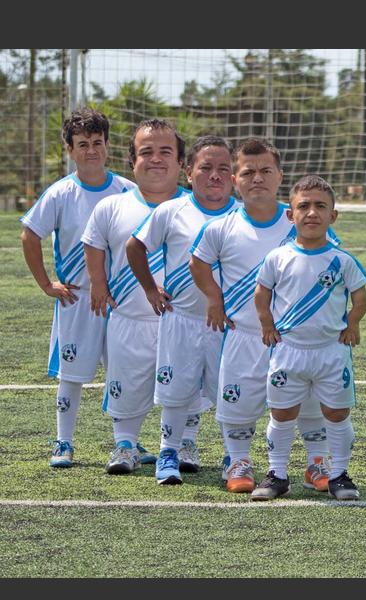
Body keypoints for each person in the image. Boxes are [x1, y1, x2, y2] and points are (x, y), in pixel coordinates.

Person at [190, 139, 339, 494]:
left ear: (279, 176)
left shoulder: (301, 217)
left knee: (309, 404)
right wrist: (214, 298)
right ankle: (239, 461)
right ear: (235, 179)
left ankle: (316, 462)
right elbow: (198, 262)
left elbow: (331, 265)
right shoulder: (221, 227)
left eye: (265, 171)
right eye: (248, 172)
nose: (257, 178)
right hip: (244, 334)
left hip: (297, 339)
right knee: (239, 401)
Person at [20, 107, 134, 469]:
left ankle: (126, 444)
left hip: (118, 301)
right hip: (76, 299)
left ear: (107, 146)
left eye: (97, 143)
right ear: (70, 149)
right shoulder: (60, 193)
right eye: (82, 144)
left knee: (122, 371)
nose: (91, 151)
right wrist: (45, 284)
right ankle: (64, 443)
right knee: (72, 376)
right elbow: (30, 234)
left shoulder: (126, 191)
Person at [126, 136, 239, 484]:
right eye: (206, 167)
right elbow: (135, 246)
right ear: (189, 172)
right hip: (181, 319)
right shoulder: (171, 211)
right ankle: (168, 453)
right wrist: (149, 287)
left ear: (234, 177)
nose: (215, 175)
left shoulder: (243, 214)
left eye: (224, 169)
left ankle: (235, 458)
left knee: (230, 391)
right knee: (174, 392)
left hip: (229, 326)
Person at [252, 175, 366, 501]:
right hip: (288, 350)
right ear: (291, 215)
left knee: (336, 414)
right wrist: (266, 324)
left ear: (333, 216)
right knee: (282, 413)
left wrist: (352, 324)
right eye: (303, 206)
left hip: (331, 351)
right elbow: (261, 295)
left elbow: (361, 298)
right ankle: (277, 474)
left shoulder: (342, 260)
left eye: (321, 206)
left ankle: (339, 475)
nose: (312, 213)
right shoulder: (277, 257)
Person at [81, 118, 186, 474]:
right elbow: (93, 243)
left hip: (183, 321)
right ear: (132, 161)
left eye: (165, 152)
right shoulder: (112, 207)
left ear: (181, 163)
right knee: (125, 384)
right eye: (146, 152)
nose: (155, 159)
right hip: (128, 317)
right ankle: (124, 445)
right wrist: (98, 282)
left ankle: (184, 444)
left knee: (187, 385)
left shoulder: (196, 208)